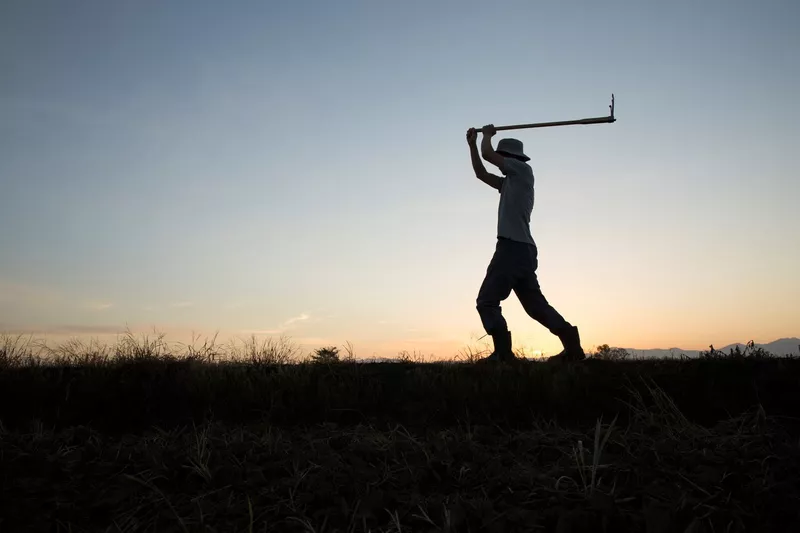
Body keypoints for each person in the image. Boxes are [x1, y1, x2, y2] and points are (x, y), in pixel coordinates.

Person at [466, 125, 585, 362]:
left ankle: (502, 354)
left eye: (503, 157)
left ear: (510, 159)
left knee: (487, 301)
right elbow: (481, 173)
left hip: (511, 248)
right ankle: (572, 345)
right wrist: (472, 145)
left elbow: (489, 156)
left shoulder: (522, 170)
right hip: (524, 250)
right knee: (535, 306)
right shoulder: (510, 184)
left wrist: (487, 136)